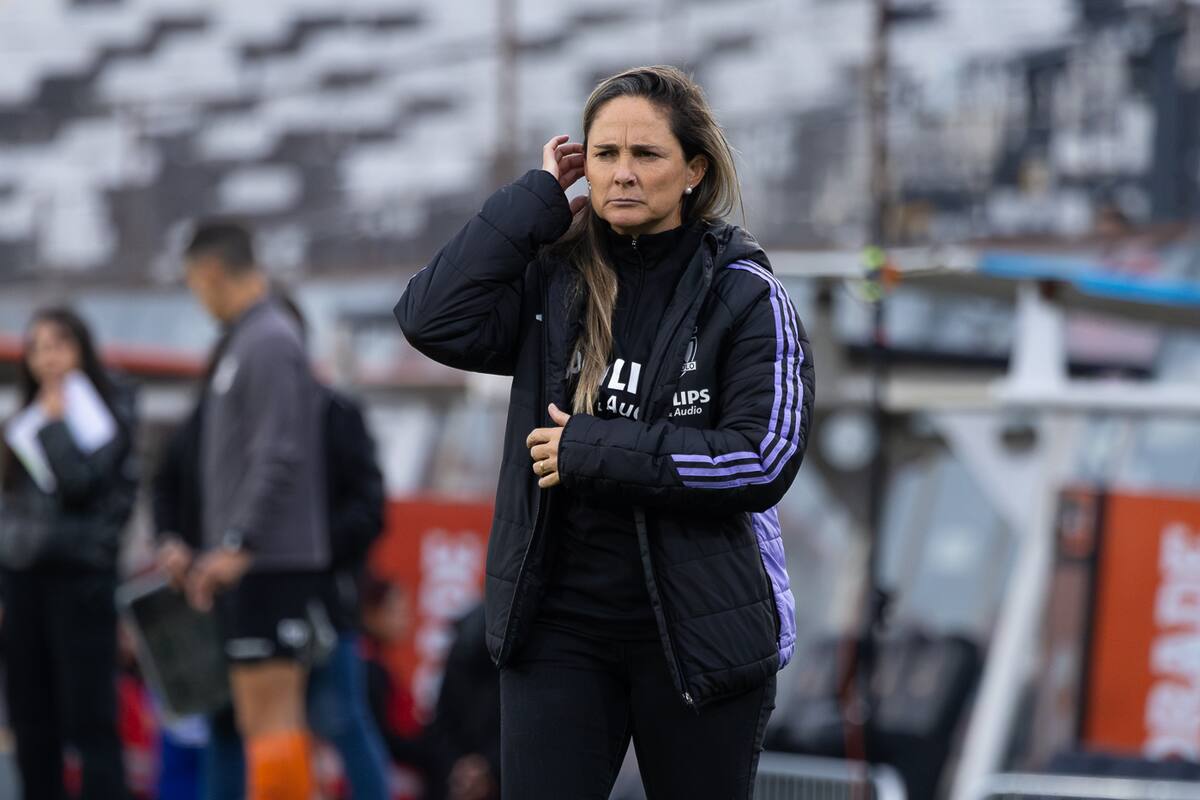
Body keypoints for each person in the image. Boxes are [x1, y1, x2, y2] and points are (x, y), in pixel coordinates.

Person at [395, 65, 814, 798]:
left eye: (645, 155)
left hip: (698, 640)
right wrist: (535, 198)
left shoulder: (746, 294)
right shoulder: (552, 280)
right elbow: (431, 318)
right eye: (604, 154)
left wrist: (593, 449)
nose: (622, 173)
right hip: (557, 633)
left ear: (694, 170)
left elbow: (760, 459)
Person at [157, 221, 329, 800]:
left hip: (271, 563)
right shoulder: (243, 341)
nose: (196, 297)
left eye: (193, 284)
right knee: (262, 724)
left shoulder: (272, 340)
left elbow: (279, 455)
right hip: (252, 563)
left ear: (209, 274)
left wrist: (236, 543)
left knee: (274, 718)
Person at [0, 307, 138, 800]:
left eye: (59, 344)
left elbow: (82, 486)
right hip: (25, 581)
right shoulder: (22, 419)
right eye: (37, 347)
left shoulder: (109, 413)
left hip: (81, 582)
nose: (48, 357)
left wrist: (55, 428)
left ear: (82, 348)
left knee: (91, 720)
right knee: (31, 720)